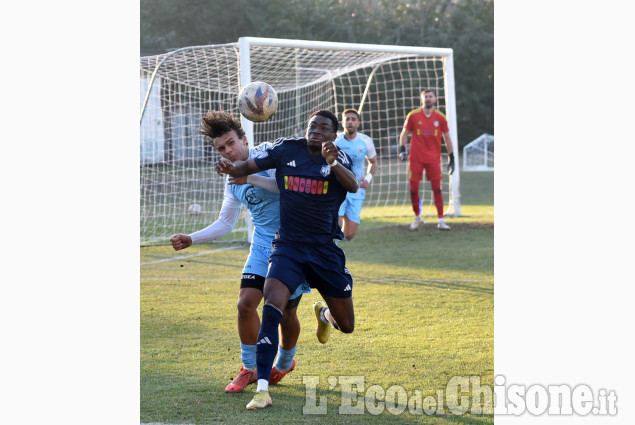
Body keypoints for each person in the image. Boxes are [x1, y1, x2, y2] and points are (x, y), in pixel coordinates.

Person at [215, 110, 359, 410]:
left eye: (323, 128)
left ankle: (325, 317)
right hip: (288, 247)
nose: (316, 131)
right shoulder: (287, 149)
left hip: (323, 252)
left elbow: (353, 185)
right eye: (312, 126)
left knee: (346, 325)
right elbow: (248, 165)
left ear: (333, 135)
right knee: (272, 306)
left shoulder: (339, 157)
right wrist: (232, 167)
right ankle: (262, 388)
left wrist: (332, 161)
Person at [170, 111, 309, 394]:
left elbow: (289, 189)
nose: (228, 151)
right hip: (261, 247)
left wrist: (250, 177)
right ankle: (250, 367)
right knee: (245, 303)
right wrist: (191, 239)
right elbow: (225, 222)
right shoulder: (231, 179)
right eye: (221, 148)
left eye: (231, 143)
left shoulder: (269, 156)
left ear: (244, 139)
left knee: (285, 314)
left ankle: (283, 364)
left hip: (292, 245)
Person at [398, 89, 455, 231]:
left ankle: (441, 220)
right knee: (413, 189)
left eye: (430, 96)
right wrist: (402, 150)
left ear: (435, 99)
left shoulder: (440, 118)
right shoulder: (413, 116)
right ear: (421, 100)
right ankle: (418, 217)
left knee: (437, 189)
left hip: (434, 159)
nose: (428, 99)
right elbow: (404, 133)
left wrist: (451, 157)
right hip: (416, 159)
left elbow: (447, 138)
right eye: (425, 97)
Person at [333, 108, 378, 241]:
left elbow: (373, 163)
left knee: (349, 234)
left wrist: (368, 179)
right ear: (342, 122)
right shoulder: (336, 141)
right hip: (338, 188)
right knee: (336, 227)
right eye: (347, 119)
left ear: (358, 123)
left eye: (353, 119)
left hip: (357, 189)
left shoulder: (366, 141)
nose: (350, 122)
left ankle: (345, 215)